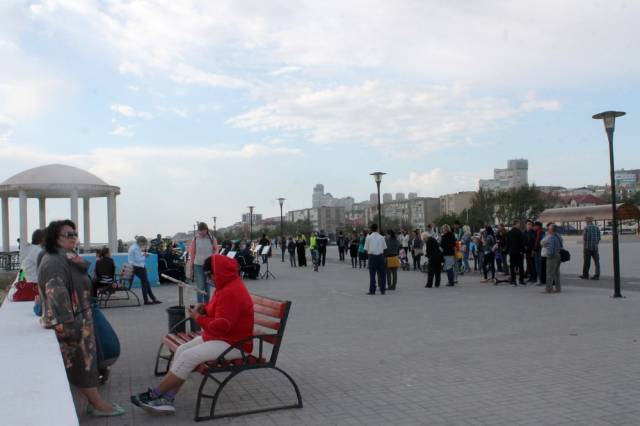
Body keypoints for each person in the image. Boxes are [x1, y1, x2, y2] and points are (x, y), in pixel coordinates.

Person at [131, 254, 254, 415]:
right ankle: (167, 398)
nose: (208, 279)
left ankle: (155, 394)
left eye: (209, 275)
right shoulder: (226, 285)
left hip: (236, 344)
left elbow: (220, 326)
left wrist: (198, 317)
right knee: (182, 350)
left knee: (188, 356)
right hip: (224, 339)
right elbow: (218, 311)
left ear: (219, 272)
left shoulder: (231, 291)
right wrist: (204, 308)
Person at [38, 220, 124, 417]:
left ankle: (95, 403)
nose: (74, 237)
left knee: (87, 364)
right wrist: (72, 328)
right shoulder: (54, 262)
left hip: (82, 319)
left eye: (75, 233)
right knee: (81, 365)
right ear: (55, 238)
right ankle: (98, 405)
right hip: (71, 324)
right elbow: (56, 298)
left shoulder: (67, 256)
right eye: (68, 234)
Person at [188, 222, 219, 303]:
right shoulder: (195, 239)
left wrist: (214, 257)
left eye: (203, 230)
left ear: (206, 229)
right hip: (198, 265)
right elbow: (192, 254)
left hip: (208, 266)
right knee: (200, 287)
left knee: (207, 287)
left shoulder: (212, 238)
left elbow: (216, 249)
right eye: (200, 231)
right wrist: (191, 268)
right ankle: (200, 306)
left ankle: (207, 305)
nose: (201, 232)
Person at [128, 236, 160, 305]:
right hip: (139, 267)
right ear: (140, 242)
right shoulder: (136, 248)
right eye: (143, 243)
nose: (143, 245)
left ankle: (153, 298)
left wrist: (143, 254)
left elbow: (137, 256)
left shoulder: (133, 247)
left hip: (135, 267)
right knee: (145, 284)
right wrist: (145, 256)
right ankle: (147, 300)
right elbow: (138, 259)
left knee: (146, 283)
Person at [364, 223, 386, 295]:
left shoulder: (368, 237)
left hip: (372, 257)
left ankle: (372, 290)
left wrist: (369, 255)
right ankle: (383, 289)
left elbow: (366, 249)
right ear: (377, 229)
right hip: (380, 256)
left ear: (371, 229)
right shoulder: (382, 237)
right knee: (382, 274)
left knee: (372, 275)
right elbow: (384, 248)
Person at [541, 223, 563, 293]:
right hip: (558, 255)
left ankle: (548, 289)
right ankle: (558, 288)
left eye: (549, 229)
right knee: (556, 273)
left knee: (549, 273)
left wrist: (548, 255)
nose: (547, 230)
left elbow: (551, 249)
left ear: (551, 230)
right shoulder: (558, 236)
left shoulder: (551, 237)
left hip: (552, 256)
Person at [506, 220, 526, 286]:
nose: (519, 225)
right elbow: (522, 242)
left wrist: (508, 251)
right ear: (516, 224)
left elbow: (507, 243)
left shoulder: (509, 233)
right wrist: (523, 251)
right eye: (518, 224)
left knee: (512, 267)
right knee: (520, 266)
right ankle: (521, 280)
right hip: (519, 252)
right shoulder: (520, 232)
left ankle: (513, 280)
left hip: (512, 252)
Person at [533, 221, 546, 286]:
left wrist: (535, 249)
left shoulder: (541, 233)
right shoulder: (536, 232)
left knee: (539, 266)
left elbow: (540, 243)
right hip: (537, 251)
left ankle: (540, 280)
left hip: (539, 251)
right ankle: (540, 279)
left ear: (538, 226)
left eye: (535, 226)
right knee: (538, 265)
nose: (534, 227)